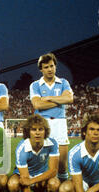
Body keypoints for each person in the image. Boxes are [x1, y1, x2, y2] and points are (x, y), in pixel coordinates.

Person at [7, 114, 60, 192]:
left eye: (40, 129)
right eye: (33, 129)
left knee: (55, 184)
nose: (37, 132)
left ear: (45, 131)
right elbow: (25, 182)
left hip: (42, 174)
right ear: (28, 132)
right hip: (24, 175)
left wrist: (32, 181)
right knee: (12, 185)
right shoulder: (22, 149)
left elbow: (53, 171)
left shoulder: (52, 143)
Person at [30, 53, 74, 183]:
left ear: (55, 66)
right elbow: (37, 104)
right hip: (42, 124)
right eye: (46, 67)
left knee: (62, 165)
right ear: (41, 69)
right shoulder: (35, 85)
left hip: (60, 123)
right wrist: (60, 100)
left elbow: (69, 98)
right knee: (41, 161)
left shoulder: (63, 82)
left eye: (52, 66)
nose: (50, 69)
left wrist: (48, 98)